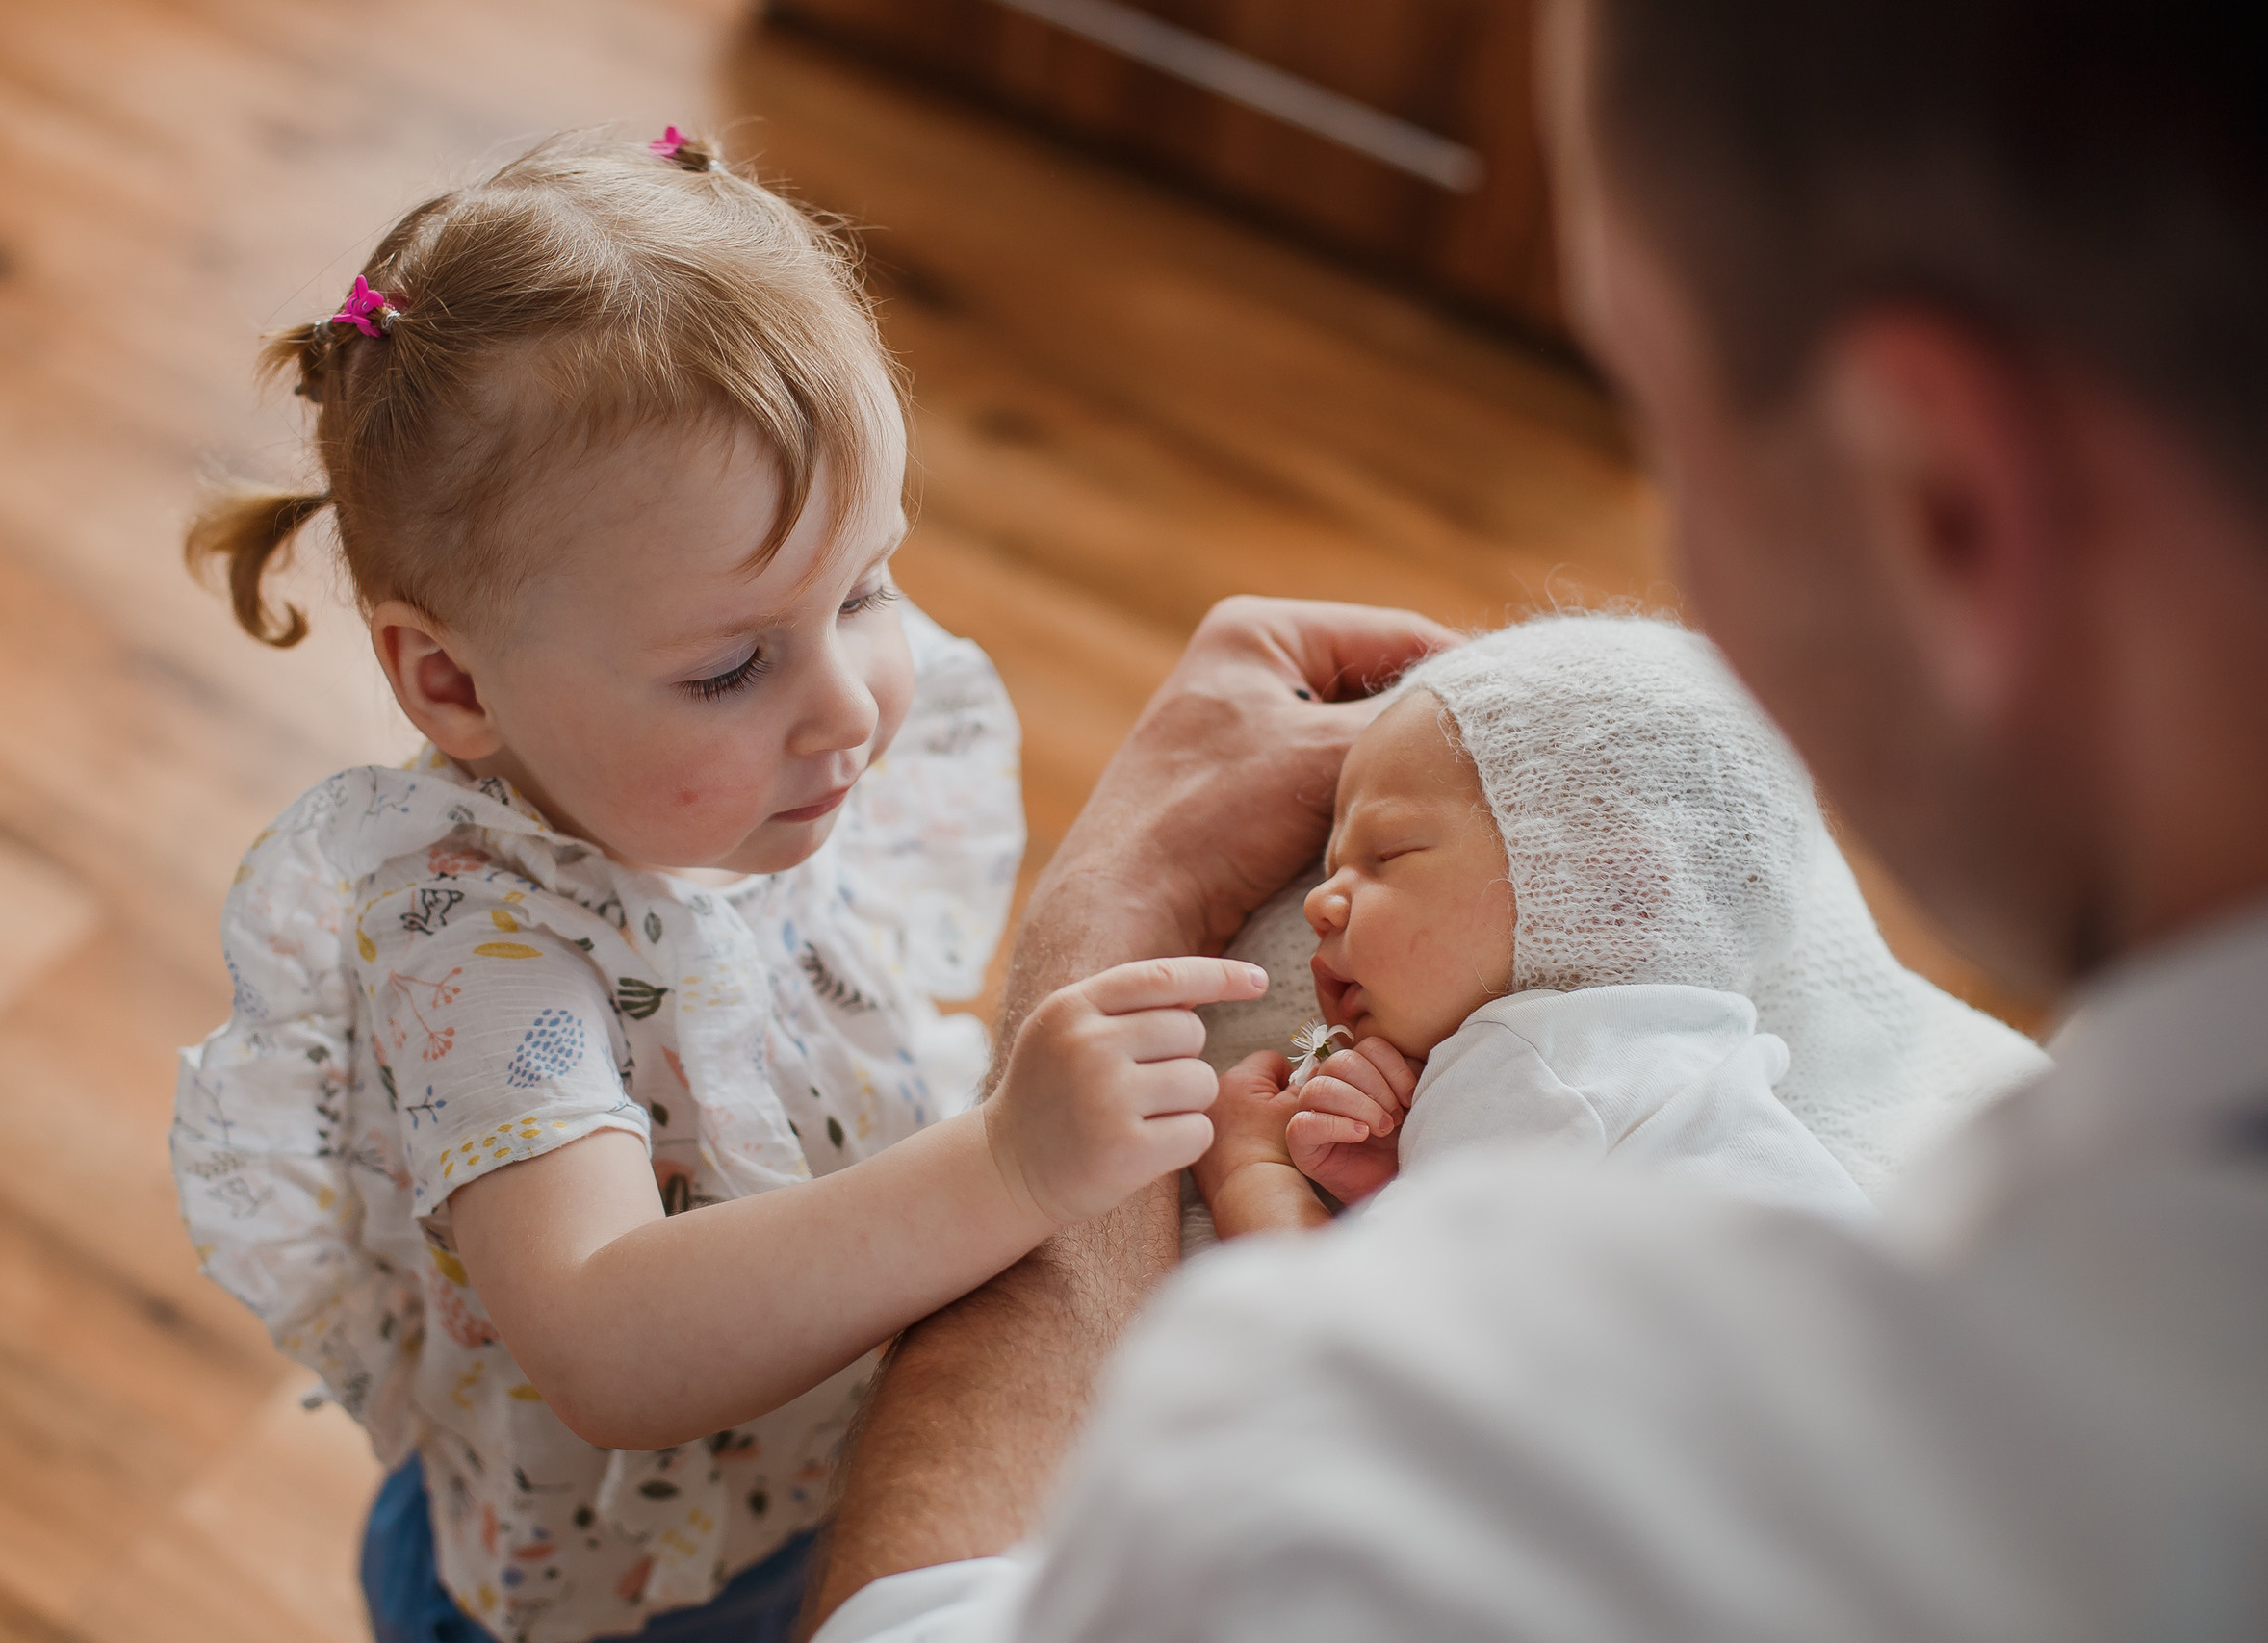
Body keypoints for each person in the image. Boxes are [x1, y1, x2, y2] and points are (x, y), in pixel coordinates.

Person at [800, 0, 2268, 1636]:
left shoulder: (1435, 1462)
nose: (1331, 904)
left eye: (1657, 422)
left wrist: (1095, 943)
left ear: (1939, 498)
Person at [168, 127, 1264, 1643]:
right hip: (647, 1596)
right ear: (448, 679)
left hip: (835, 1466)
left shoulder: (736, 784)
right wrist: (1008, 1164)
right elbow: (614, 1335)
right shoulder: (478, 958)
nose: (851, 705)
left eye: (866, 587)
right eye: (734, 663)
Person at [1195, 614, 2050, 1240]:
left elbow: (1346, 1345)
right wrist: (1403, 1177)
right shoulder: (1668, 1068)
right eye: (1332, 861)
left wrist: (1251, 1172)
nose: (1319, 900)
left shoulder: (1539, 1065)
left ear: (1611, 886)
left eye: (1386, 855)